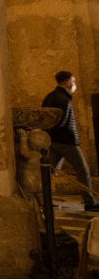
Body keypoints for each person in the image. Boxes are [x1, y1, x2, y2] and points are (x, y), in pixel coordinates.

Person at [42, 70, 99, 212]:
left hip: (53, 141)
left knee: (49, 172)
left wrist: (50, 136)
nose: (75, 85)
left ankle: (45, 201)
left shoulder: (50, 96)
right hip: (67, 141)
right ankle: (90, 203)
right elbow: (62, 122)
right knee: (83, 170)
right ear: (68, 82)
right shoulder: (64, 99)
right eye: (73, 81)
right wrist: (59, 136)